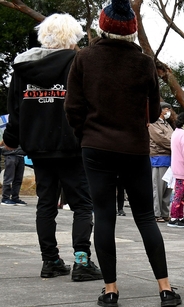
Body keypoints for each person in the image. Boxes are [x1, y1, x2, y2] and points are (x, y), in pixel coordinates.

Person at [65, 0, 180, 307]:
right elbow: (155, 110)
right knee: (145, 216)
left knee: (103, 215)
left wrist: (86, 134)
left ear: (102, 25)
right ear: (132, 30)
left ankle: (111, 290)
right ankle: (165, 289)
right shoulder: (144, 63)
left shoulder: (84, 58)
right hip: (133, 147)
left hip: (96, 146)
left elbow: (72, 108)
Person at [3, 13, 103, 282]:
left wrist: (11, 139)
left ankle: (50, 261)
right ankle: (82, 261)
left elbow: (14, 110)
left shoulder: (23, 68)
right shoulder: (79, 64)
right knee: (83, 204)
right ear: (72, 38)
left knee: (45, 204)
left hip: (38, 148)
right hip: (73, 146)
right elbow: (92, 105)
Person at [149, 102, 174, 222]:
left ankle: (165, 213)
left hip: (169, 158)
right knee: (157, 188)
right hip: (158, 157)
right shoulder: (153, 123)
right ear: (160, 110)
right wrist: (175, 145)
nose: (168, 111)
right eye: (166, 109)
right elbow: (160, 139)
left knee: (167, 188)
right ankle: (156, 213)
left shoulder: (167, 124)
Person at [1, 141, 25, 206]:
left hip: (21, 156)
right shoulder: (10, 133)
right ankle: (5, 198)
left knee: (18, 179)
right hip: (10, 155)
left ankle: (15, 197)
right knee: (9, 178)